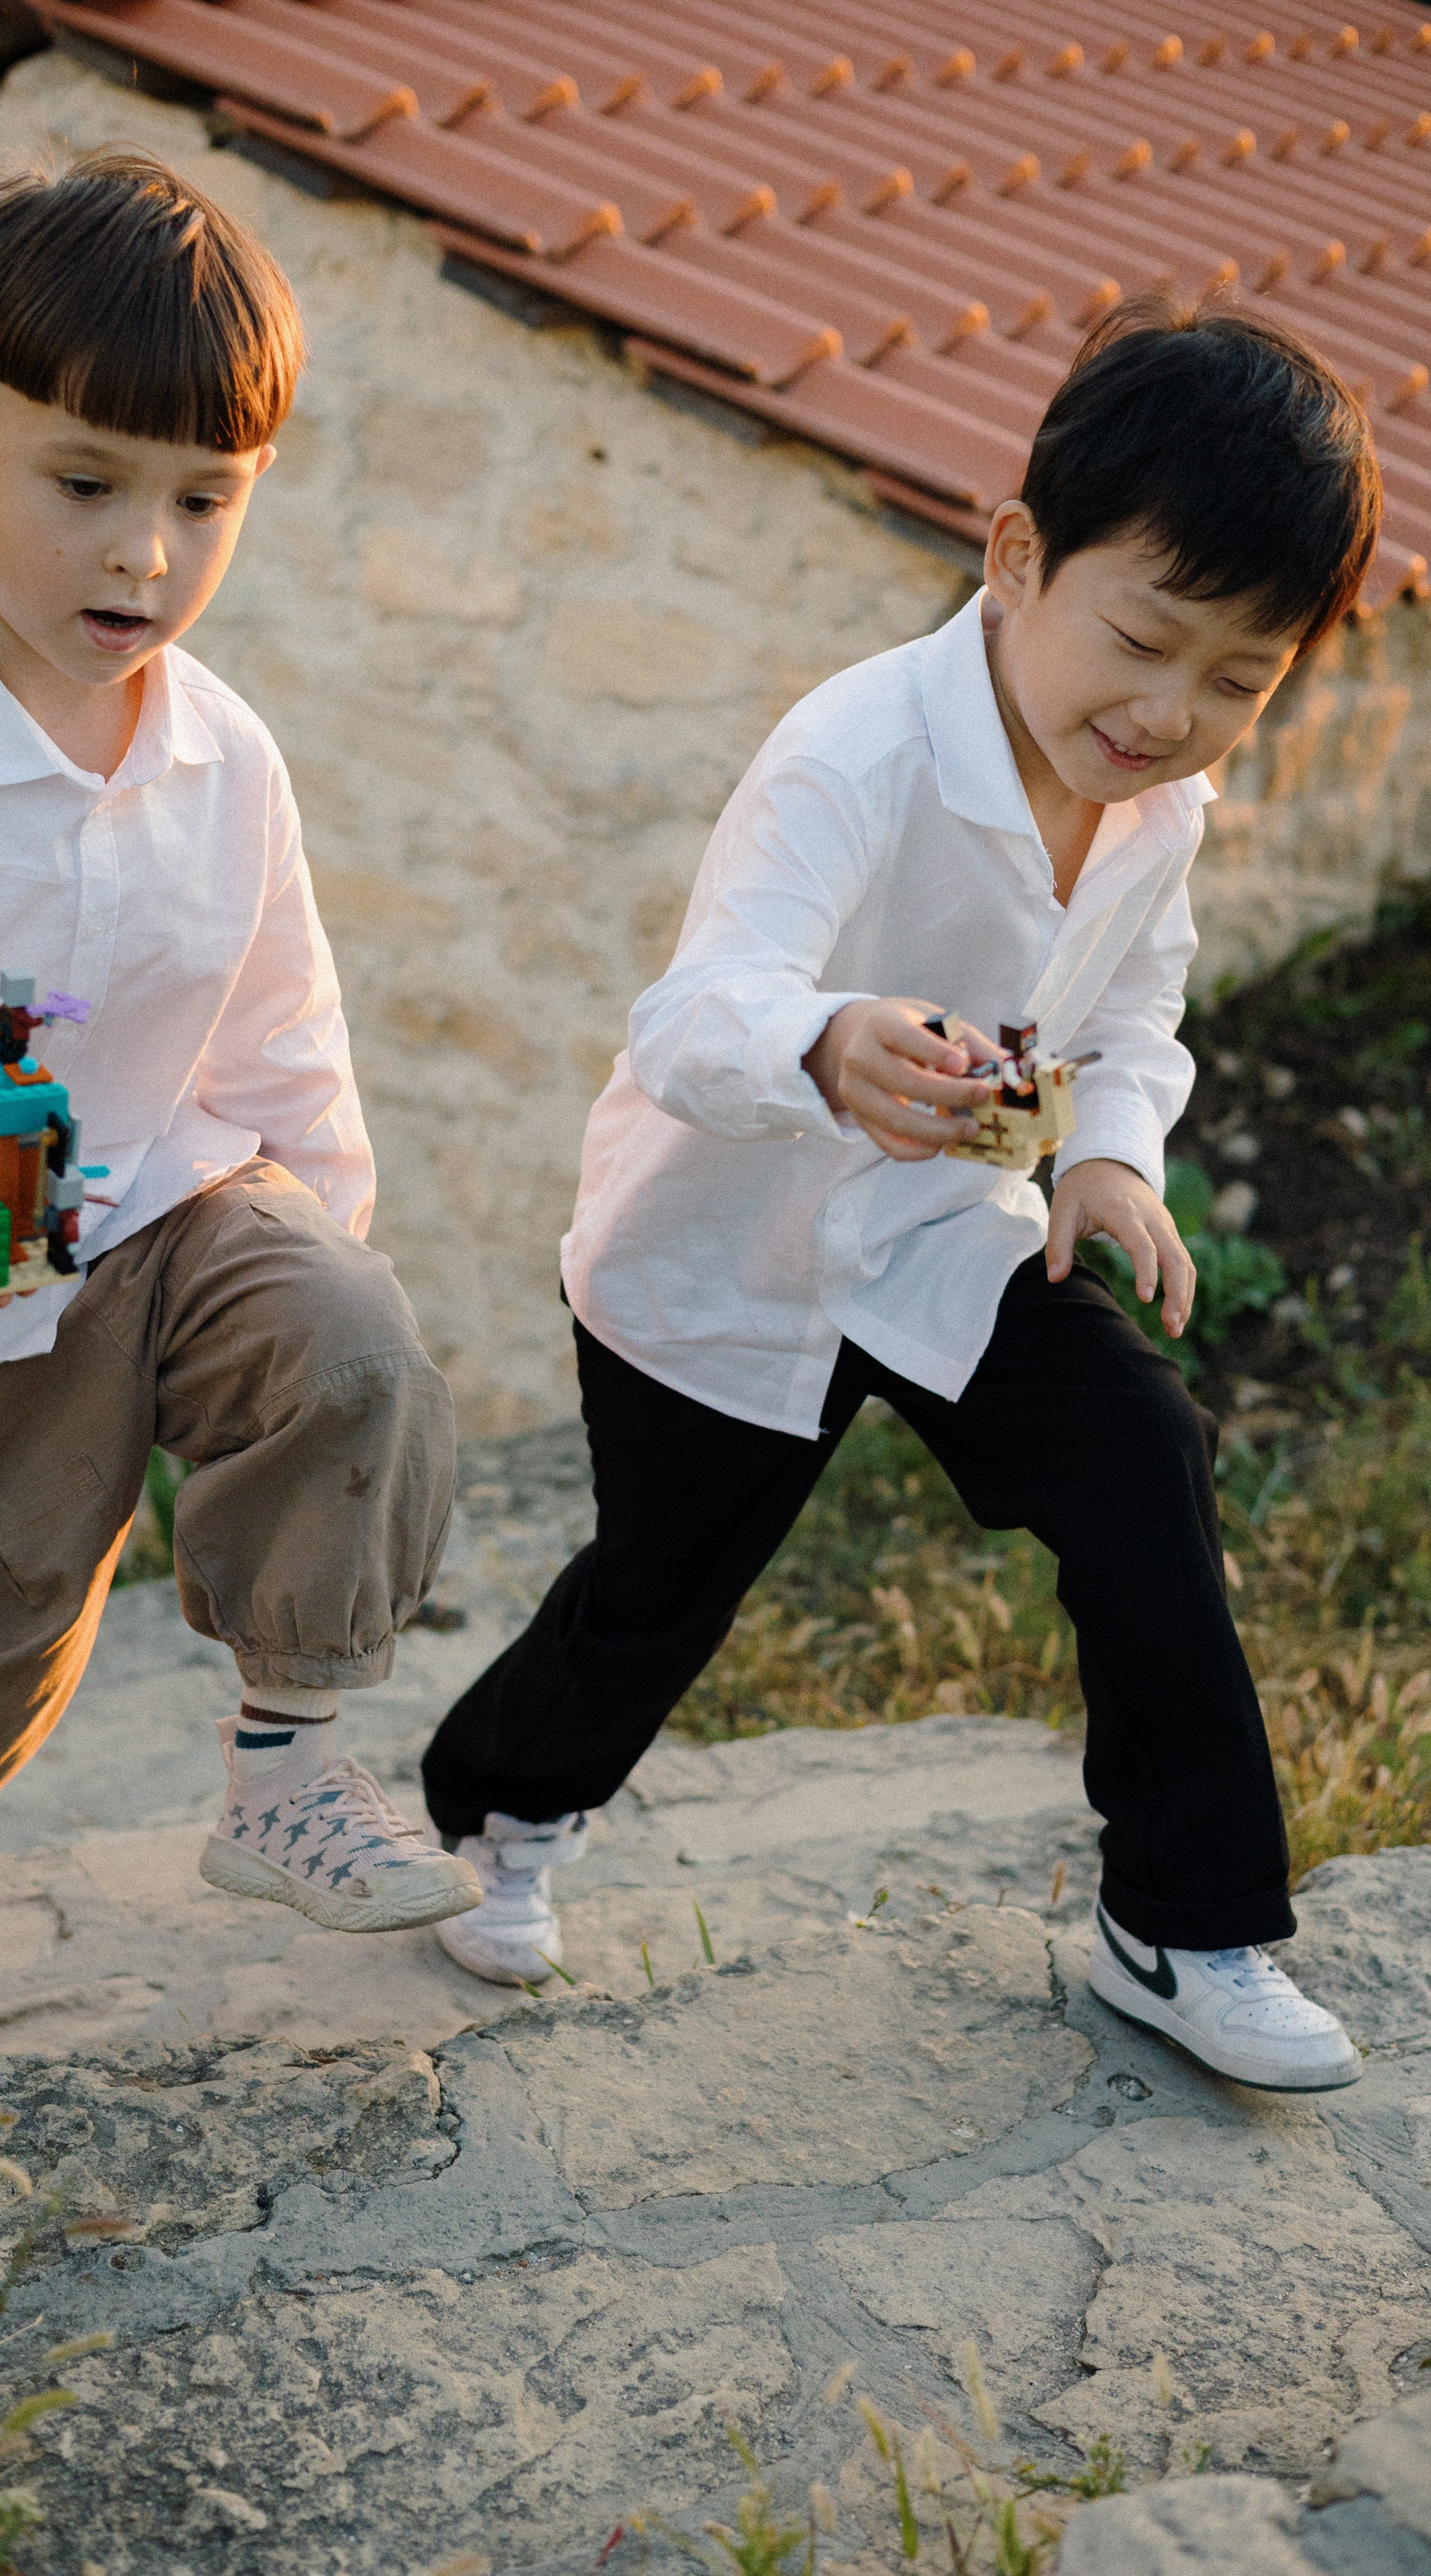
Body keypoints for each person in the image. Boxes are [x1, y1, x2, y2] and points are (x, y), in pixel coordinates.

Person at [422, 300, 1380, 2094]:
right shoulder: (854, 752)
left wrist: (1111, 1156)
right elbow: (692, 1013)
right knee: (659, 1594)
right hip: (727, 1255)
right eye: (1143, 642)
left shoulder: (1158, 806)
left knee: (1141, 1454)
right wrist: (825, 1039)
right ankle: (497, 1810)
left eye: (1239, 681)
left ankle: (1184, 1924)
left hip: (949, 1232)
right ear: (1017, 559)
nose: (1169, 715)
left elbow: (1137, 1012)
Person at [0, 148, 480, 2050]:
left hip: (154, 1221)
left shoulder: (228, 758)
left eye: (204, 499)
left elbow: (285, 1042)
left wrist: (317, 1311)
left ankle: (285, 1764)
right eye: (86, 485)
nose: (146, 554)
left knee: (353, 1339)